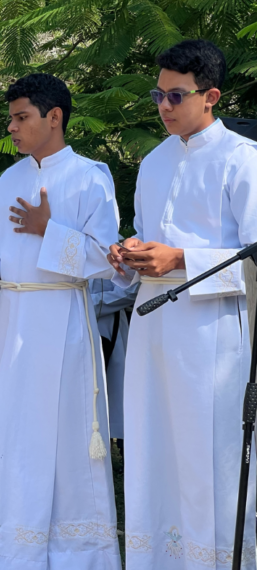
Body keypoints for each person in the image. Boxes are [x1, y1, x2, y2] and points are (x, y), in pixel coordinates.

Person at [0, 73, 121, 569]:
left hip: (65, 325)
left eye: (21, 117)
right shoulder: (9, 180)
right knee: (13, 435)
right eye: (11, 118)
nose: (13, 127)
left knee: (65, 439)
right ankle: (8, 551)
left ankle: (73, 554)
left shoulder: (92, 175)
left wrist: (51, 231)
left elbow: (104, 260)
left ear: (54, 117)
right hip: (15, 326)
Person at [108, 39, 257, 568]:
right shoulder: (152, 163)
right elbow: (152, 242)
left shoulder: (243, 161)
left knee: (204, 456)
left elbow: (255, 259)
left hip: (210, 337)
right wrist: (129, 255)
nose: (164, 106)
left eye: (176, 95)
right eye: (158, 94)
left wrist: (181, 261)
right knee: (151, 452)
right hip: (152, 331)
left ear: (211, 95)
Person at [89, 279, 138, 445]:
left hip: (108, 325)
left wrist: (86, 303)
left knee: (111, 398)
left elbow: (132, 288)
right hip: (63, 322)